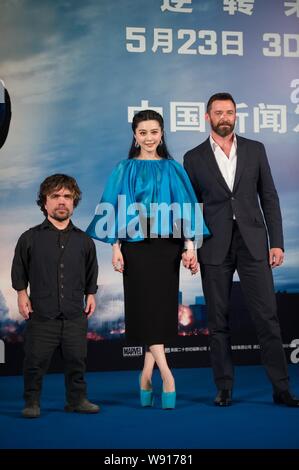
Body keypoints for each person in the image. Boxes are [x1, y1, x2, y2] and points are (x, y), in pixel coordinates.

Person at [86, 109, 209, 409]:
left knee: (162, 310)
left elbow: (187, 208)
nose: (149, 138)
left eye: (154, 132)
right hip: (136, 248)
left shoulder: (173, 168)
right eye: (143, 133)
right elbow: (114, 206)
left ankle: (145, 373)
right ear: (135, 135)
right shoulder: (124, 168)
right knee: (143, 307)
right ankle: (167, 375)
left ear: (162, 133)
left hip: (167, 248)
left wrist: (189, 246)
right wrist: (115, 247)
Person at [183, 92, 299, 407]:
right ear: (207, 117)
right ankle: (224, 388)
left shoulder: (255, 150)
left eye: (230, 112)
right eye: (218, 112)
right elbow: (190, 207)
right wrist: (189, 246)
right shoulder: (193, 158)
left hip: (253, 243)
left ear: (236, 116)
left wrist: (276, 241)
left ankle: (281, 388)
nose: (225, 117)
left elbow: (270, 196)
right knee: (217, 321)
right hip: (213, 246)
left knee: (267, 317)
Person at [11, 174, 100, 418]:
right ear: (45, 202)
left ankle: (77, 400)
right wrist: (21, 294)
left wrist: (91, 294)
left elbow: (92, 269)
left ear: (74, 202)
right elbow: (19, 267)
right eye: (55, 196)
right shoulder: (29, 237)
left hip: (74, 314)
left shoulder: (84, 240)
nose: (62, 201)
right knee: (35, 362)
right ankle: (32, 402)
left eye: (67, 197)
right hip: (42, 314)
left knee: (76, 361)